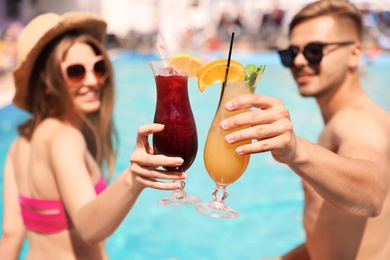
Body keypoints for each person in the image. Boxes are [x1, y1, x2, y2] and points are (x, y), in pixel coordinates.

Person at [0, 12, 185, 259]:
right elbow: (88, 228)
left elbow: (11, 236)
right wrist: (133, 178)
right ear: (46, 81)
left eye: (98, 67)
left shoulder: (19, 145)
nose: (93, 81)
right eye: (76, 71)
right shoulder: (64, 137)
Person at [219, 1, 390, 259]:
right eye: (291, 52)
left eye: (314, 50)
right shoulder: (341, 122)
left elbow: (372, 194)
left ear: (354, 53)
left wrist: (295, 151)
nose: (299, 61)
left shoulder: (358, 121)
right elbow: (334, 238)